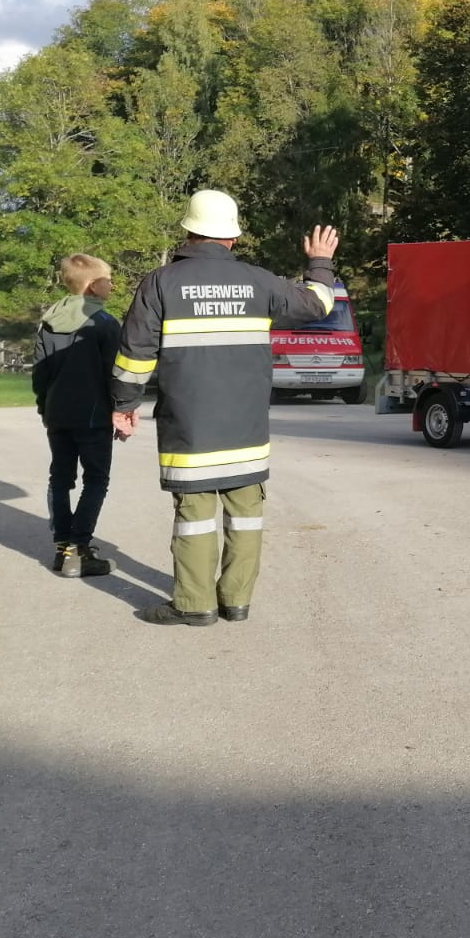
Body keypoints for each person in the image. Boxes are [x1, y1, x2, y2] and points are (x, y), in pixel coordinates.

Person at [111, 190, 339, 627]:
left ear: (188, 232)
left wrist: (125, 403)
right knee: (246, 514)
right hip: (246, 428)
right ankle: (236, 601)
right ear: (232, 238)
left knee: (194, 517)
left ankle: (194, 605)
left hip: (190, 428)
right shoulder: (260, 281)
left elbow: (135, 353)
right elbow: (319, 303)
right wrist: (319, 262)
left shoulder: (160, 283)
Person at [32, 254, 122, 578]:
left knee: (60, 478)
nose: (112, 285)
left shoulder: (48, 321)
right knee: (96, 480)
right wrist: (122, 409)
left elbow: (40, 373)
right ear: (94, 286)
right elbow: (115, 374)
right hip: (94, 416)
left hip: (57, 414)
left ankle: (62, 548)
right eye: (108, 280)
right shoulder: (105, 323)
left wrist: (45, 408)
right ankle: (78, 549)